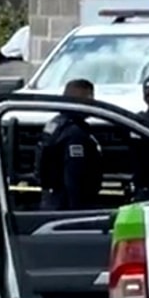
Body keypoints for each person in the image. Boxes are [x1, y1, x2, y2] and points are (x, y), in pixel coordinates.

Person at [34, 79, 103, 211]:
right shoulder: (75, 133)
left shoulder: (55, 125)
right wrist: (77, 211)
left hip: (52, 199)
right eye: (89, 97)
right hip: (67, 204)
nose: (92, 102)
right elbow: (74, 178)